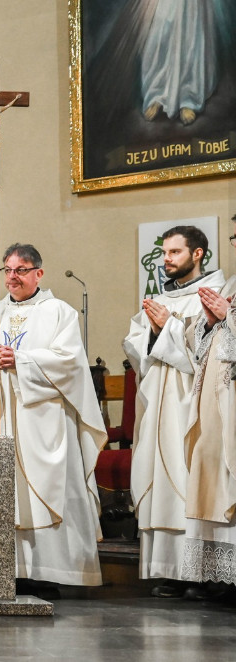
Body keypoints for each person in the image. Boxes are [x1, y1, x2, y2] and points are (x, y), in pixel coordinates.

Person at [0, 243, 105, 598]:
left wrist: (19, 360)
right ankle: (11, 570)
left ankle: (52, 571)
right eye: (7, 270)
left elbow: (69, 363)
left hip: (45, 420)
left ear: (39, 272)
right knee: (6, 490)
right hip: (2, 415)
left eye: (21, 270)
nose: (13, 277)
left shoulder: (60, 312)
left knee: (48, 488)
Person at [124, 225, 228, 597]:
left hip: (193, 404)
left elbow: (208, 352)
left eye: (174, 253)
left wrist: (168, 326)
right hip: (159, 404)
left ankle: (200, 574)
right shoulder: (161, 297)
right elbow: (137, 348)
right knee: (162, 483)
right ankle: (167, 569)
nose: (166, 259)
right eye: (164, 252)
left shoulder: (216, 293)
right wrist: (153, 332)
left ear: (197, 254)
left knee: (189, 483)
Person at [180, 221, 236, 599]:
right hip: (218, 399)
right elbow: (202, 339)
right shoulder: (230, 284)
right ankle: (220, 578)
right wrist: (212, 321)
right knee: (216, 474)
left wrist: (227, 319)